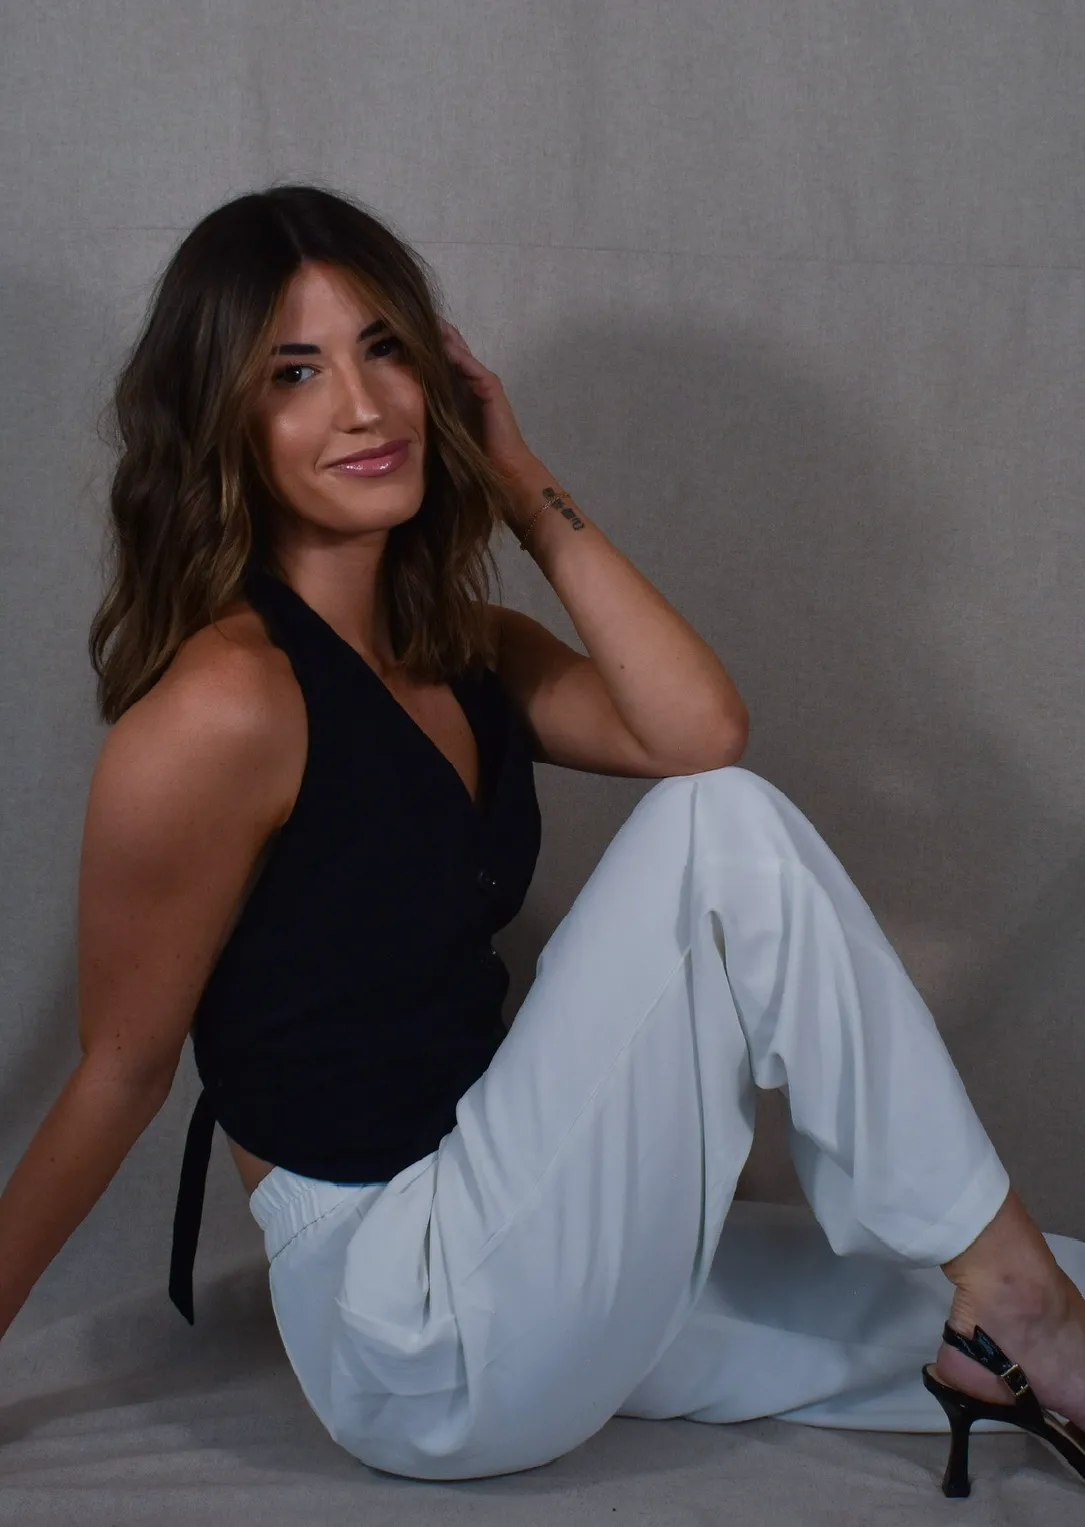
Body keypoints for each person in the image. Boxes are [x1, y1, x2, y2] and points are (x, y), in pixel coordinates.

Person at [0, 184, 1082, 1492]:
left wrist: (519, 480)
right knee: (720, 837)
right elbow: (116, 1073)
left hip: (523, 1217)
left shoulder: (464, 651)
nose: (363, 403)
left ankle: (1021, 1303)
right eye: (295, 372)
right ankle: (1017, 1296)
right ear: (223, 423)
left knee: (1005, 1284)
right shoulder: (221, 708)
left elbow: (697, 723)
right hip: (409, 1323)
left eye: (384, 348)